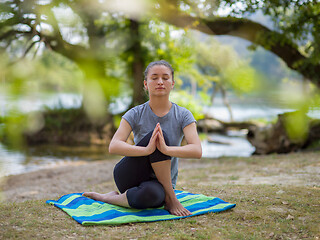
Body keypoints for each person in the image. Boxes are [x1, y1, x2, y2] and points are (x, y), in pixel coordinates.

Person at [83, 60, 202, 216]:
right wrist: (147, 149)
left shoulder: (183, 115)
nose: (160, 82)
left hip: (159, 184)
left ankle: (111, 198)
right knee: (159, 135)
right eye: (154, 78)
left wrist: (166, 149)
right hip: (131, 174)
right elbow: (114, 146)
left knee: (152, 197)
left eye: (165, 78)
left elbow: (197, 150)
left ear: (172, 84)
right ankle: (171, 199)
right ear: (146, 84)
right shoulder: (135, 113)